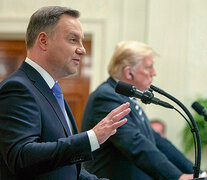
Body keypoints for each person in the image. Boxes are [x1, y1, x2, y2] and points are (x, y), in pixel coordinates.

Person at [0, 6, 131, 180]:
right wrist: (91, 138)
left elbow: (65, 169)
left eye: (82, 41)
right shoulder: (18, 88)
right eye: (73, 40)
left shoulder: (51, 90)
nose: (82, 49)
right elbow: (22, 156)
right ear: (44, 41)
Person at [81, 41, 207, 180]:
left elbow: (158, 142)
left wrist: (198, 173)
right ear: (129, 72)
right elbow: (135, 144)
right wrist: (177, 177)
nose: (154, 73)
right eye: (149, 67)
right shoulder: (106, 97)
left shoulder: (127, 98)